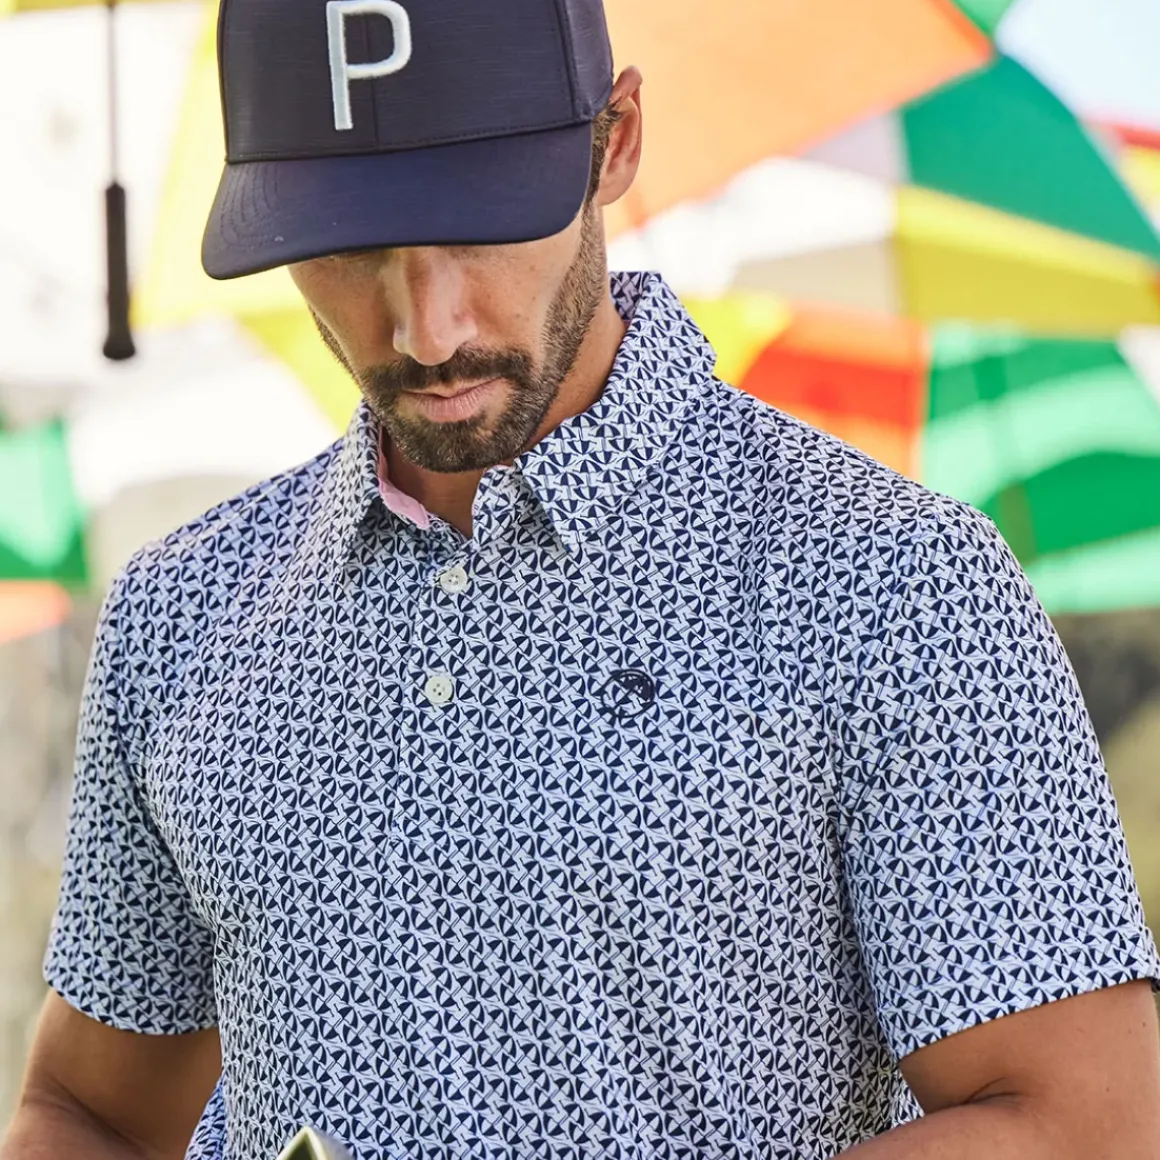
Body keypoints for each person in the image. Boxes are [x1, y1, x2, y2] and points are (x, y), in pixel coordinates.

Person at [5, 0, 1160, 1157]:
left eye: (478, 220)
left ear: (614, 141)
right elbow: (86, 1113)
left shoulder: (893, 582)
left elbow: (1084, 1123)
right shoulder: (179, 615)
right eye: (348, 244)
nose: (425, 328)